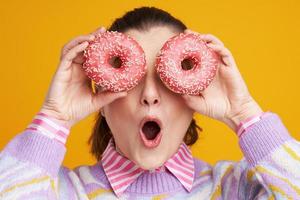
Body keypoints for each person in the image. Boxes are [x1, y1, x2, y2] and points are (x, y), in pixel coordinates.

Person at [0, 6, 299, 199]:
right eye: (132, 78)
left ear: (193, 97)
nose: (150, 94)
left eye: (167, 79)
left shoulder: (236, 187)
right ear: (100, 101)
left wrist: (245, 114)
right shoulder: (62, 191)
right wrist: (54, 118)